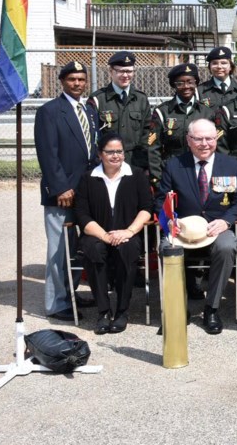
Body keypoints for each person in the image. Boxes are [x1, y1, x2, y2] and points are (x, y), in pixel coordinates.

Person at [156, 119, 237, 334]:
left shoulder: (233, 166)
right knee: (166, 249)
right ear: (188, 140)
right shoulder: (174, 165)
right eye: (198, 139)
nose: (204, 143)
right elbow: (162, 199)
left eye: (209, 138)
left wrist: (226, 221)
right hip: (182, 230)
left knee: (227, 247)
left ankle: (212, 308)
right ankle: (179, 309)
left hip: (217, 228)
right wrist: (171, 220)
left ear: (216, 138)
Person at [34, 60, 98, 321]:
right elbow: (48, 154)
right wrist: (60, 187)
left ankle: (70, 292)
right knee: (59, 250)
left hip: (87, 192)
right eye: (72, 79)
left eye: (81, 79)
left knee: (76, 249)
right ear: (62, 81)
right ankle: (56, 303)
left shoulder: (90, 110)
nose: (77, 83)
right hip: (62, 195)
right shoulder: (50, 111)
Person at [74, 132, 154, 334]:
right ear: (100, 154)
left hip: (128, 234)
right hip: (97, 234)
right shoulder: (88, 179)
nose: (116, 156)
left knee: (127, 250)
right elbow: (82, 215)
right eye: (110, 152)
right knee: (93, 250)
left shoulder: (136, 176)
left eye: (119, 151)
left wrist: (128, 231)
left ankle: (121, 312)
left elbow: (147, 208)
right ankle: (103, 312)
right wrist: (105, 236)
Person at [147, 63, 216, 187]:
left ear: (196, 83)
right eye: (180, 83)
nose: (186, 86)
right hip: (171, 172)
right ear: (174, 85)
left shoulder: (207, 112)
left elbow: (215, 146)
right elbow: (153, 149)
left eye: (190, 82)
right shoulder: (162, 112)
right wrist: (157, 179)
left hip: (201, 172)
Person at [87, 50, 152, 171]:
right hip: (107, 164)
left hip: (135, 163)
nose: (125, 75)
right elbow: (92, 135)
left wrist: (143, 162)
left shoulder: (141, 99)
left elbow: (147, 132)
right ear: (111, 72)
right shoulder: (98, 99)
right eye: (121, 71)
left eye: (129, 71)